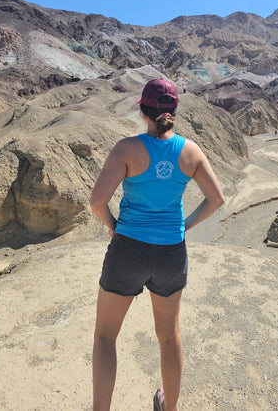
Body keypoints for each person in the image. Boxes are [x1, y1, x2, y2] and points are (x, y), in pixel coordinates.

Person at [90, 78, 224, 411]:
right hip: (171, 253)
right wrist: (184, 225)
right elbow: (217, 198)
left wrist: (114, 228)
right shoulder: (190, 151)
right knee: (168, 335)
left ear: (143, 110)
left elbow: (97, 202)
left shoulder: (127, 149)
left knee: (106, 336)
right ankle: (170, 408)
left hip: (129, 248)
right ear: (173, 111)